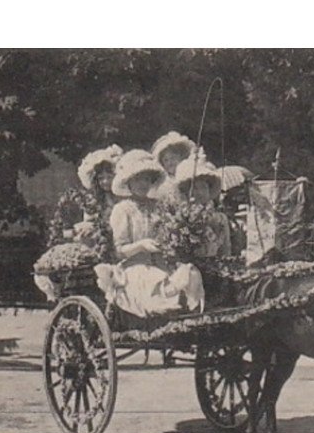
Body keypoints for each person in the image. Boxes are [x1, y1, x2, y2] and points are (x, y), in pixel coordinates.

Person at [94, 149, 204, 318]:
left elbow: (173, 228)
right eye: (138, 179)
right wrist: (141, 245)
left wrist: (182, 235)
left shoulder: (159, 206)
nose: (143, 184)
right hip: (133, 269)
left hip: (162, 264)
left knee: (190, 273)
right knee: (153, 280)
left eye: (146, 179)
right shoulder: (123, 209)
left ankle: (190, 316)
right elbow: (119, 250)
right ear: (129, 183)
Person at [173, 155, 232, 258]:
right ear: (186, 193)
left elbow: (226, 251)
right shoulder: (180, 219)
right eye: (195, 188)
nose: (200, 193)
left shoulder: (221, 219)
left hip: (217, 268)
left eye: (203, 187)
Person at [151, 131, 196, 200]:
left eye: (173, 158)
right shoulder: (164, 182)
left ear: (181, 157)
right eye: (166, 160)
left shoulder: (189, 173)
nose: (170, 162)